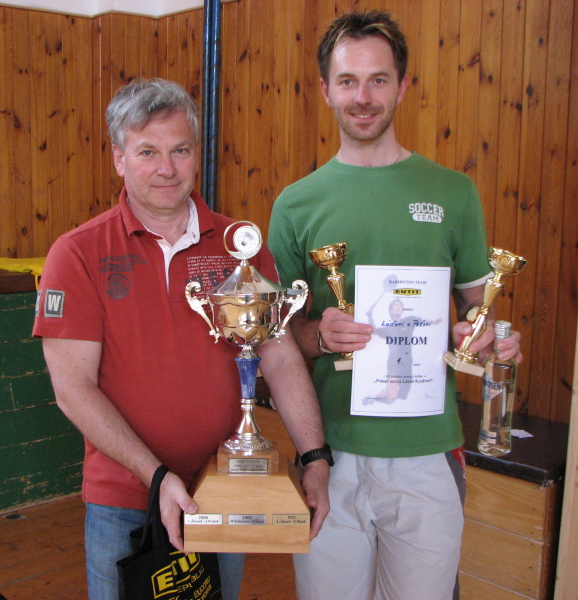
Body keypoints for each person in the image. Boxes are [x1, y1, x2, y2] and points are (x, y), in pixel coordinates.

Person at [33, 78, 330, 600]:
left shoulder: (241, 247)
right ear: (119, 159)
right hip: (125, 499)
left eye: (180, 150)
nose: (166, 168)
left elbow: (280, 359)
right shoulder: (77, 253)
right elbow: (72, 389)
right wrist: (156, 477)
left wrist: (314, 457)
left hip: (227, 486)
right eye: (147, 152)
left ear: (196, 154)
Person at [267, 11, 522, 600]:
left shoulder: (453, 194)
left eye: (378, 80)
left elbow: (478, 310)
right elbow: (279, 337)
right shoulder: (295, 205)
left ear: (403, 87)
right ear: (325, 89)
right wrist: (320, 334)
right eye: (348, 81)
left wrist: (488, 335)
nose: (363, 97)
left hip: (428, 453)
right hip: (329, 453)